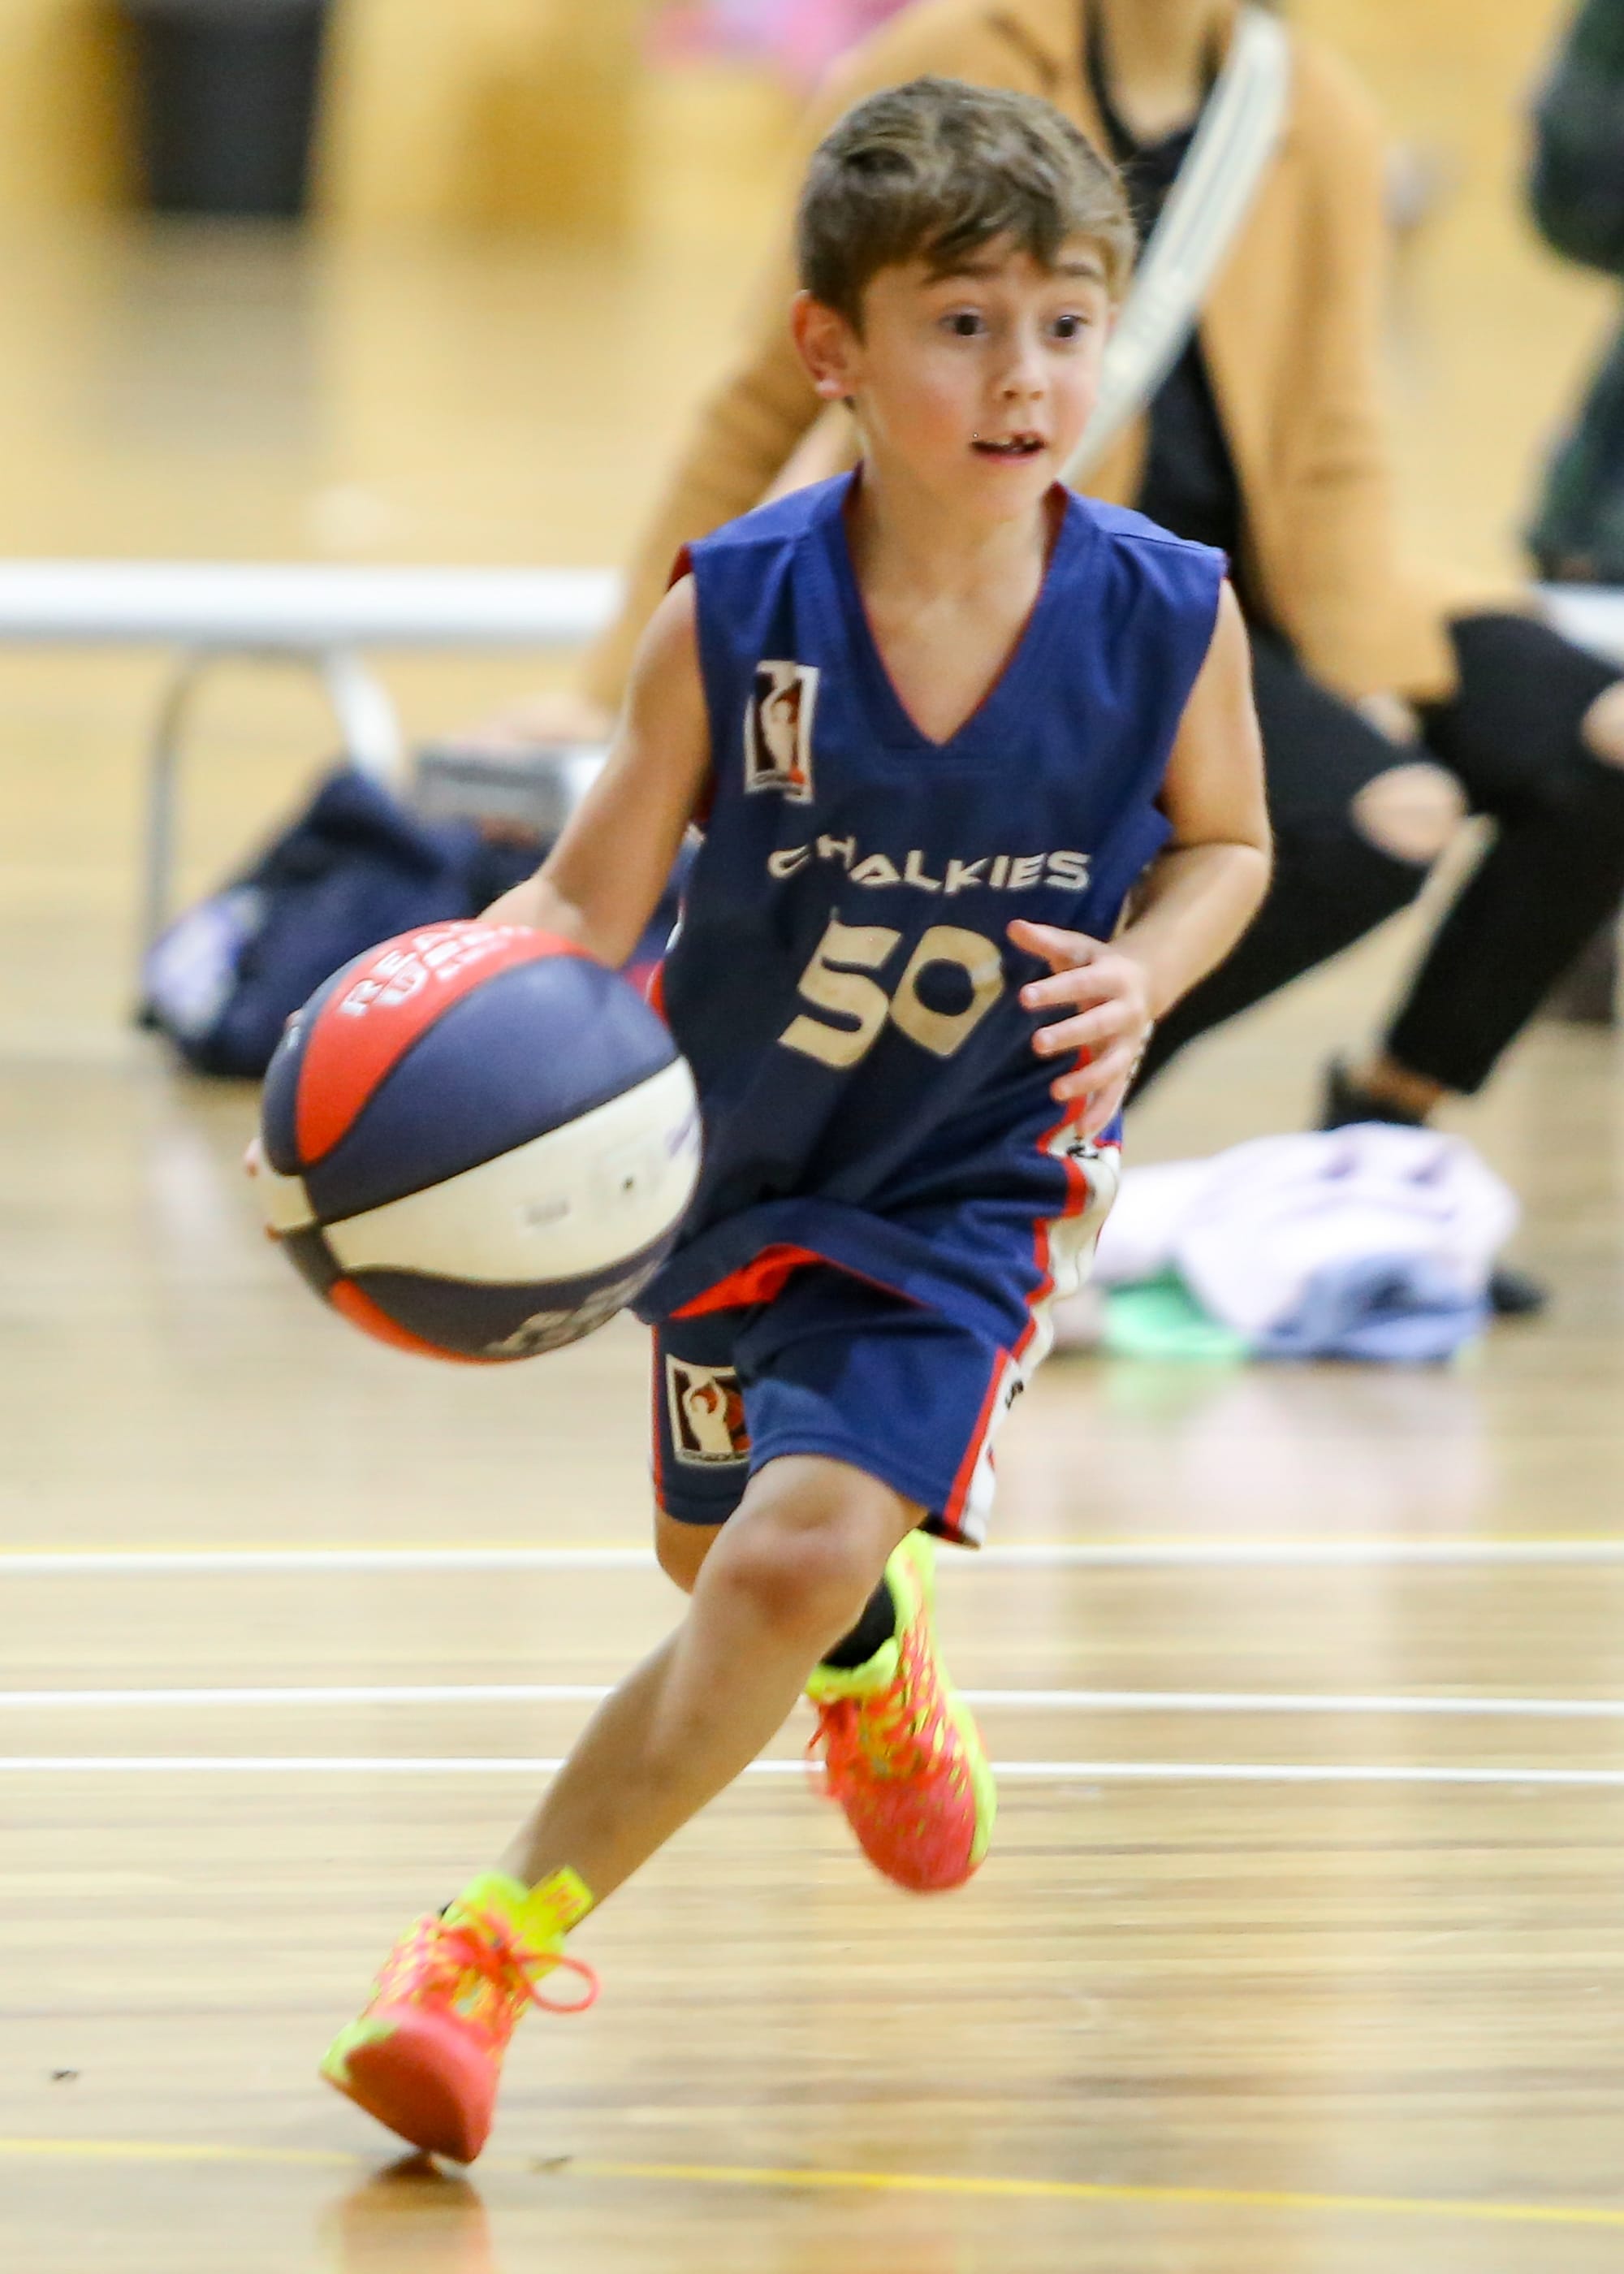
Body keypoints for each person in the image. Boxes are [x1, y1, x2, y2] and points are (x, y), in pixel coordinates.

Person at [318, 76, 1271, 2164]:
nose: (1024, 375)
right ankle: (870, 1663)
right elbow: (582, 896)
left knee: (781, 1553)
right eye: (960, 323)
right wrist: (380, 1058)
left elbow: (1230, 845)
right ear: (828, 347)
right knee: (715, 1561)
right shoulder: (738, 608)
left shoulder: (1161, 608)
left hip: (973, 1173)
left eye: (1064, 322)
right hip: (728, 1158)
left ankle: (475, 1955)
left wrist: (1154, 965)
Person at [495, 0, 1624, 1309]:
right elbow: (774, 383)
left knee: (1597, 748)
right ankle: (1009, 1132)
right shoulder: (948, 64)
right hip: (1059, 571)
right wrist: (608, 681)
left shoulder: (1316, 108)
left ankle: (1378, 1132)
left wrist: (1364, 655)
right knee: (1378, 822)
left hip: (1271, 579)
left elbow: (1338, 422)